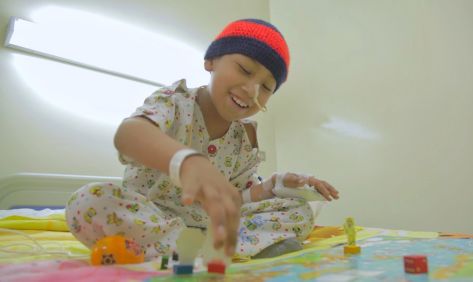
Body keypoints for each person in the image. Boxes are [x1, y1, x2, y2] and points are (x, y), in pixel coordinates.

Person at [65, 18, 339, 261]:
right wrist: (186, 162)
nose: (252, 89)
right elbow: (129, 135)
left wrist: (276, 185)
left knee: (299, 211)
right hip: (152, 216)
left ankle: (193, 247)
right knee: (88, 203)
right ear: (210, 62)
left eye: (267, 87)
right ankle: (213, 247)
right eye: (245, 69)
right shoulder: (174, 102)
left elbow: (237, 198)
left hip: (211, 224)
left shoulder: (245, 136)